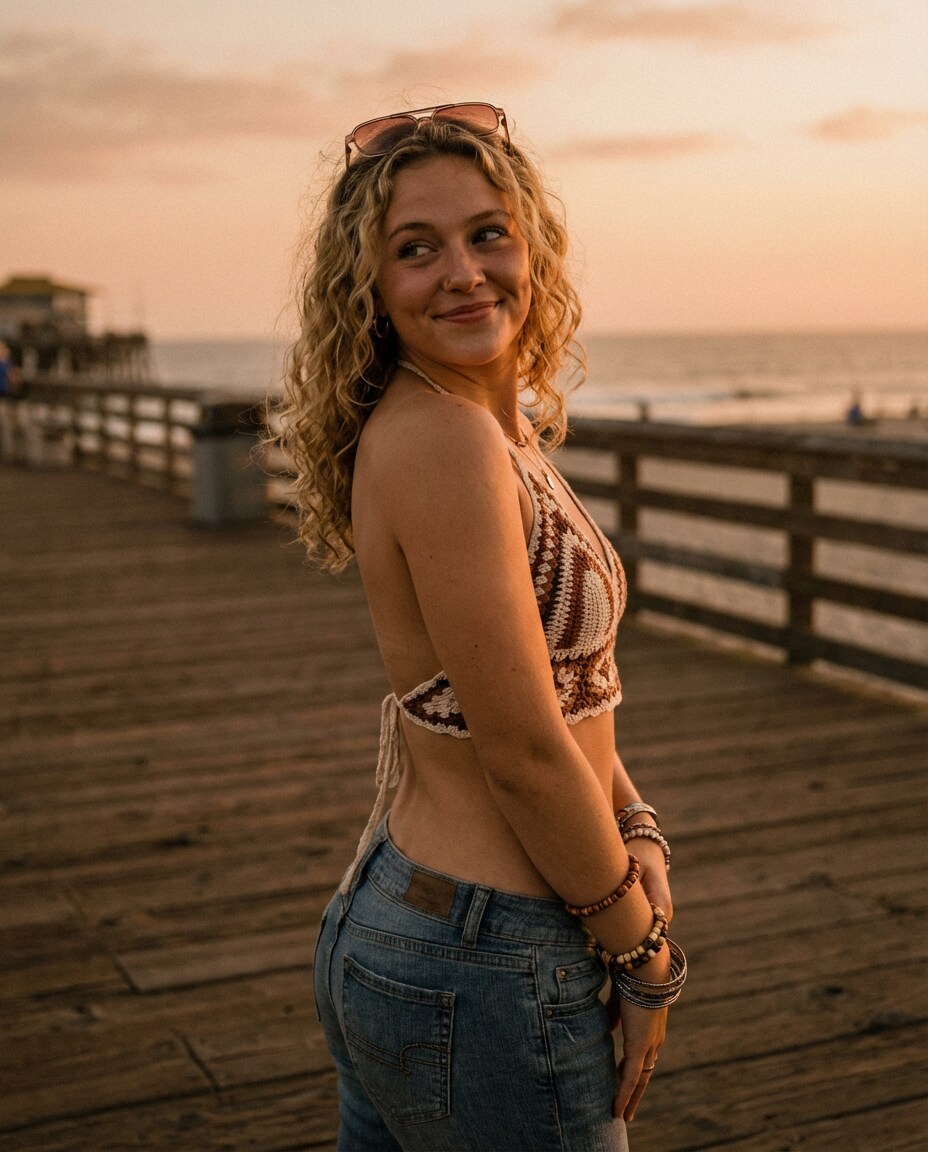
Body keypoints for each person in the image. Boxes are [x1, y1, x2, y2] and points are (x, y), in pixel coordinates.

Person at [279, 102, 684, 1151]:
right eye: (416, 249)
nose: (462, 271)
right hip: (488, 952)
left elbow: (557, 687)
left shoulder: (481, 423)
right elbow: (519, 751)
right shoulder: (444, 441)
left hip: (425, 931)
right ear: (368, 287)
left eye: (486, 233)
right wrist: (643, 957)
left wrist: (632, 821)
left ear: (532, 245)